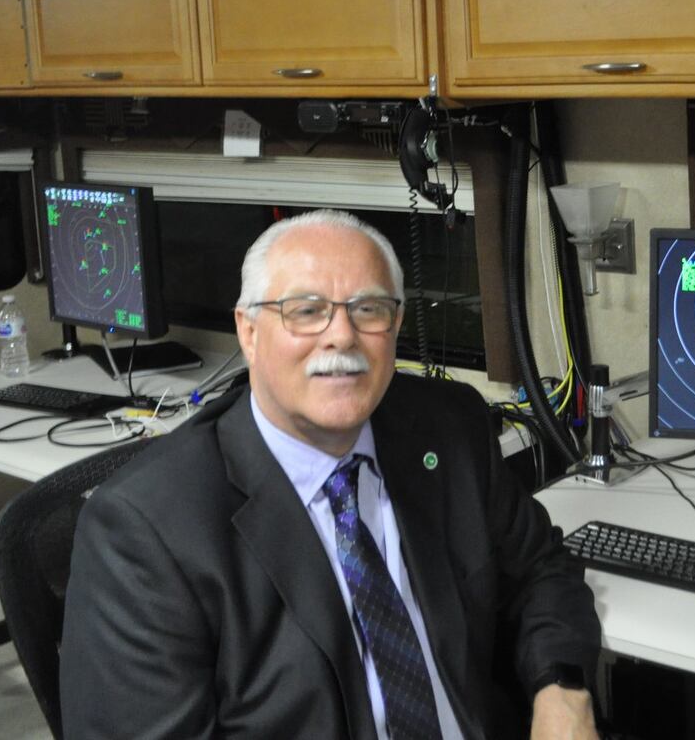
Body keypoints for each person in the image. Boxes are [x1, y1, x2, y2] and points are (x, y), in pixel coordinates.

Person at [60, 209, 602, 740]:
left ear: (396, 327)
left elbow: (540, 571)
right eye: (305, 310)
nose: (341, 337)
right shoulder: (144, 530)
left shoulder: (447, 427)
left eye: (368, 309)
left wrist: (563, 690)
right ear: (248, 333)